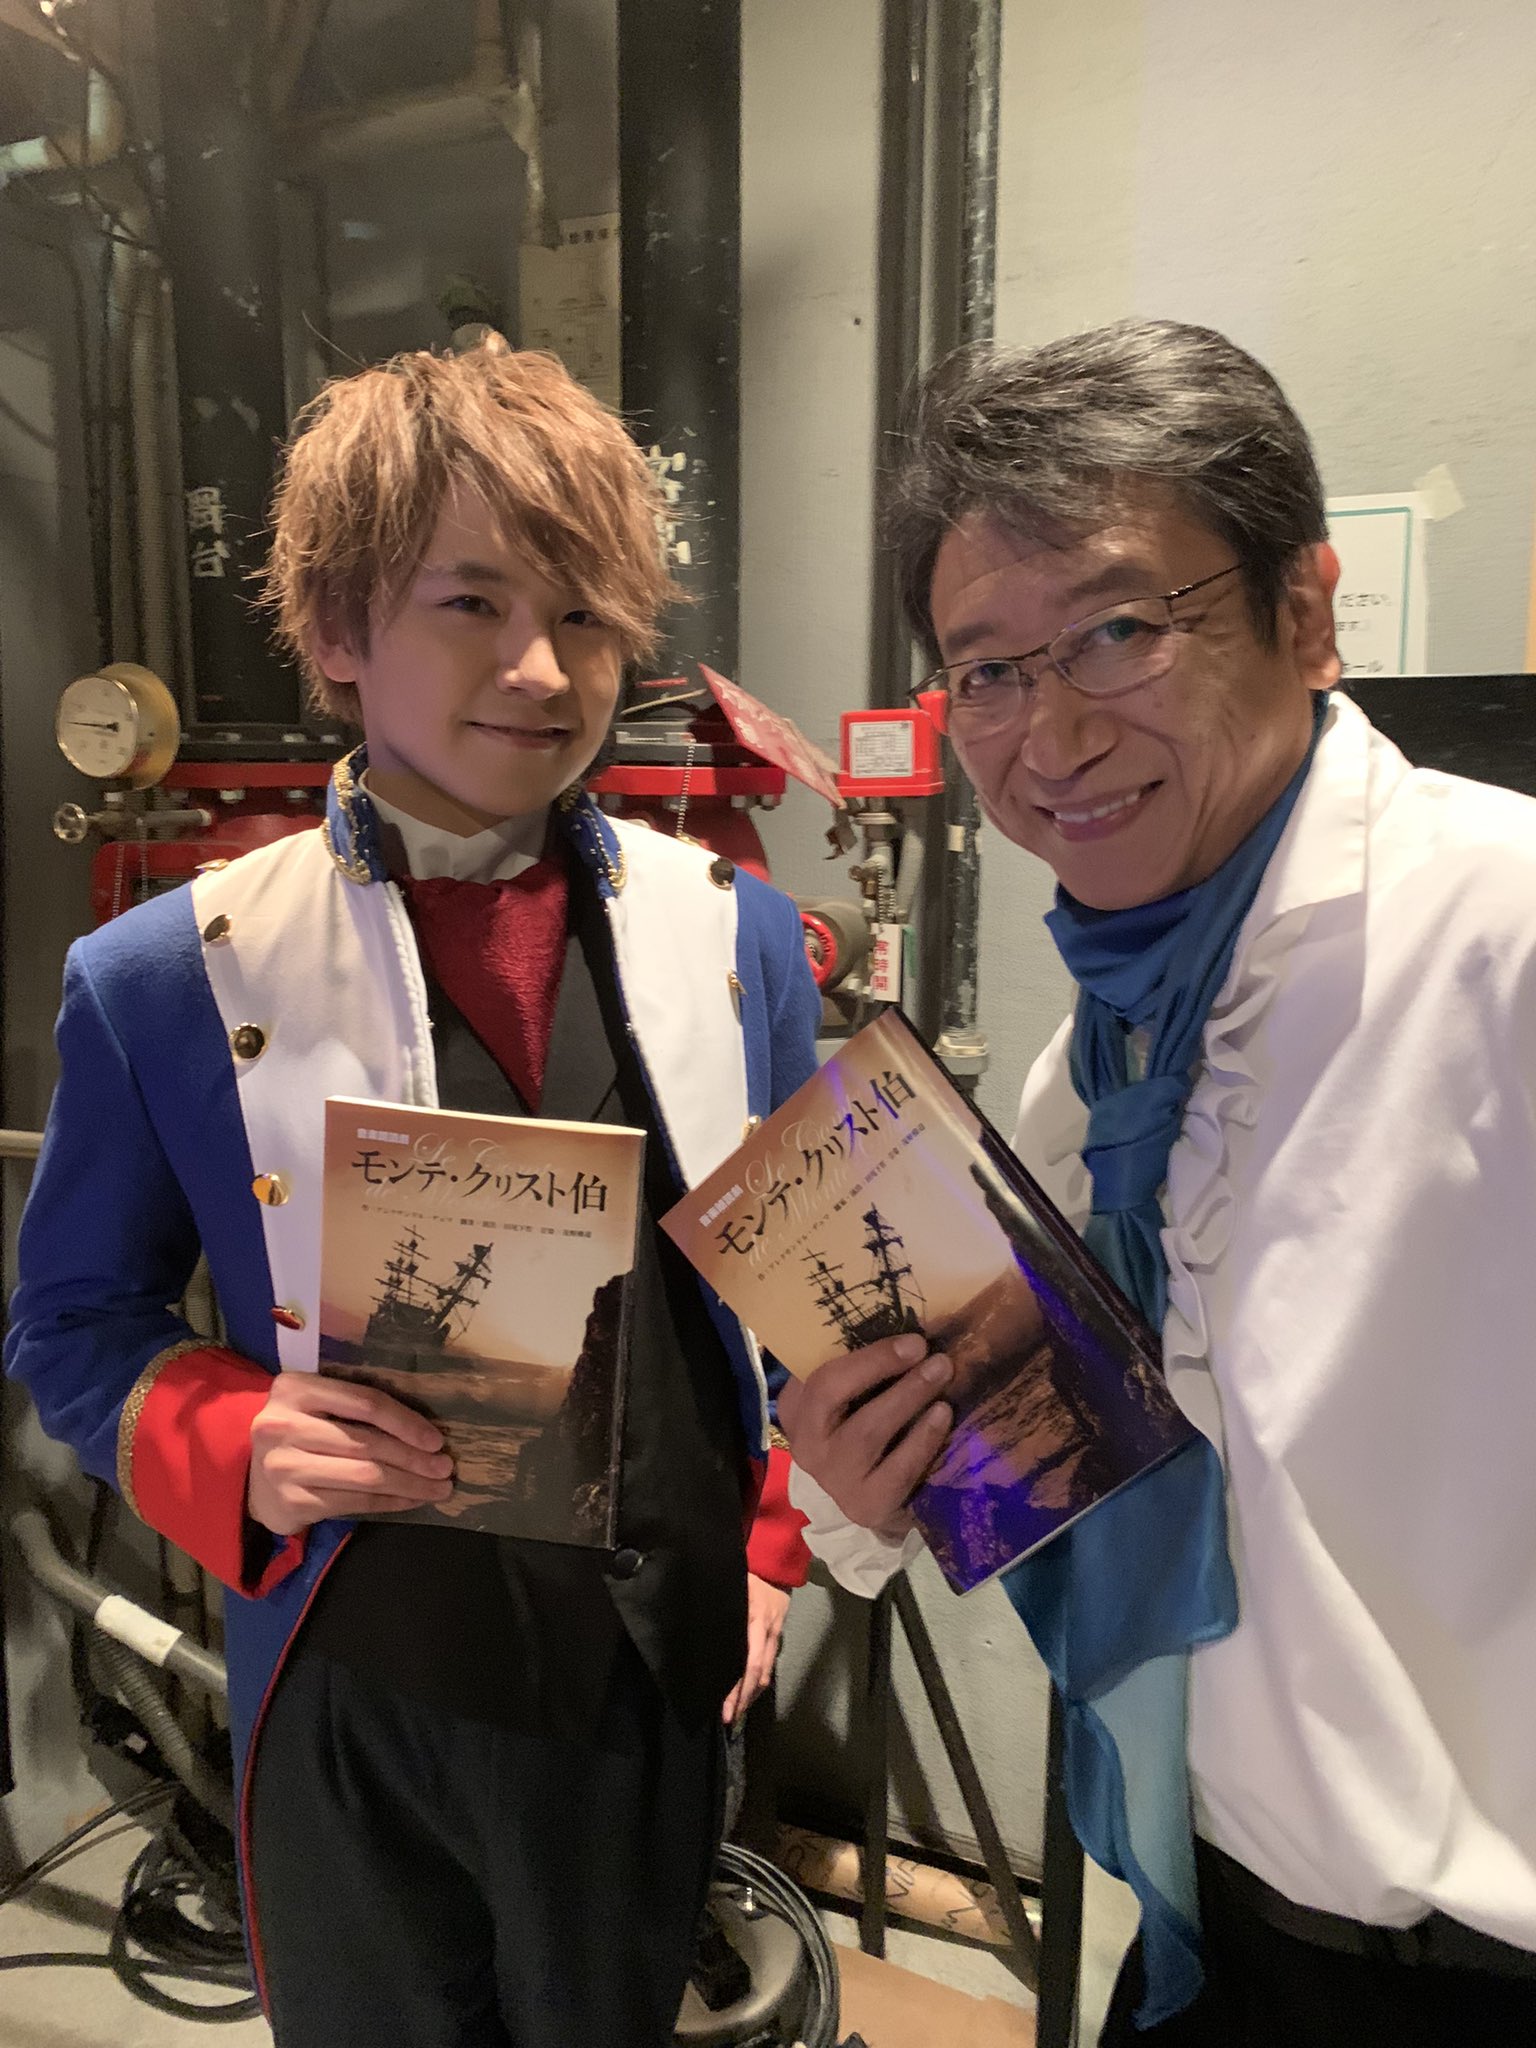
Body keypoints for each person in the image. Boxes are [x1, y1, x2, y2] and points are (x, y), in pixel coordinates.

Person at [6, 339, 820, 2048]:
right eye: (472, 603)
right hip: (349, 1678)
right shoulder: (166, 975)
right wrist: (233, 1435)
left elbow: (789, 1291)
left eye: (586, 614)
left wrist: (769, 1547)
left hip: (646, 1675)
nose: (542, 668)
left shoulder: (735, 937)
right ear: (335, 630)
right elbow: (74, 1326)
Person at [778, 318, 1536, 2045]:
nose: (1048, 736)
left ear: (1307, 613)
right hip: (1214, 1931)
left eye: (1118, 630)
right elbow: (1047, 1466)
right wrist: (865, 1482)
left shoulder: (1501, 938)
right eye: (986, 670)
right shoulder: (1100, 1062)